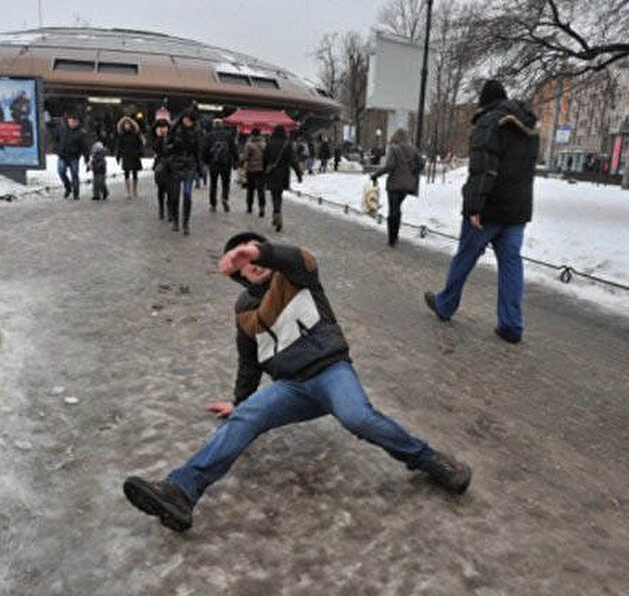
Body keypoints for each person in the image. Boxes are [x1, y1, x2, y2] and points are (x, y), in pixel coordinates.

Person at [123, 232, 473, 532]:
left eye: (254, 251)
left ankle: (429, 460)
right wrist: (239, 401)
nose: (253, 261)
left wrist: (261, 252)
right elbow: (249, 363)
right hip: (291, 387)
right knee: (246, 418)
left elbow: (299, 257)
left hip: (331, 371)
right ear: (239, 274)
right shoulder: (244, 309)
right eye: (244, 259)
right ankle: (181, 492)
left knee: (358, 417)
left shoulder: (294, 273)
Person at [424, 79, 539, 344]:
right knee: (511, 264)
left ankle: (445, 305)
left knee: (464, 257)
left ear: (484, 102)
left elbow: (483, 168)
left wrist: (475, 206)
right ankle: (511, 324)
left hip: (488, 208)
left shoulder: (489, 122)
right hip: (517, 209)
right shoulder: (530, 128)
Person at [371, 128, 424, 247]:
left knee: (393, 210)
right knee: (398, 208)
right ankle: (396, 234)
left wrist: (376, 175)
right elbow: (421, 164)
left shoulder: (393, 148)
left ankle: (392, 238)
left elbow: (389, 166)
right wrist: (413, 172)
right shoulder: (413, 149)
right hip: (407, 185)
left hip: (394, 184)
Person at [166, 110, 202, 235]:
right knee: (175, 195)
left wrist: (199, 168)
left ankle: (186, 223)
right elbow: (167, 146)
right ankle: (176, 220)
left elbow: (198, 151)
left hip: (190, 164)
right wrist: (173, 148)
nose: (187, 121)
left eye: (189, 120)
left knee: (187, 194)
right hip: (176, 164)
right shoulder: (175, 130)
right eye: (185, 119)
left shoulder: (196, 133)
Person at [263, 125, 302, 233]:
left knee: (274, 194)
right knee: (279, 194)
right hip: (283, 173)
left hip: (272, 172)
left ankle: (276, 213)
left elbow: (264, 158)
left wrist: (263, 172)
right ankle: (277, 212)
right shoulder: (287, 143)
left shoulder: (269, 142)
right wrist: (298, 174)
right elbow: (293, 160)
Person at [203, 118, 239, 213]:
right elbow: (234, 150)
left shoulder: (209, 135)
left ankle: (213, 204)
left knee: (213, 184)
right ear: (222, 125)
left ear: (213, 125)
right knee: (226, 183)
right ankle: (224, 198)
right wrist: (236, 161)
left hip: (213, 163)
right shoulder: (228, 135)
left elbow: (204, 150)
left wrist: (206, 161)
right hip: (226, 163)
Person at [55, 113, 89, 200]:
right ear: (68, 121)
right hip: (62, 155)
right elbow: (57, 139)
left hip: (74, 157)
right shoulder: (62, 129)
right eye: (71, 121)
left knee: (74, 174)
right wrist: (57, 149)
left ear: (77, 122)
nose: (73, 123)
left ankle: (76, 193)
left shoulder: (80, 132)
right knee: (61, 171)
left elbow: (84, 147)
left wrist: (86, 158)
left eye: (75, 121)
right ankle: (68, 187)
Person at [116, 114, 144, 198]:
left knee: (135, 173)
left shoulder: (135, 134)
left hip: (134, 155)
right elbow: (119, 146)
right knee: (126, 173)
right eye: (125, 124)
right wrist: (118, 155)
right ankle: (128, 192)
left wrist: (140, 152)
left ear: (131, 125)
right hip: (126, 155)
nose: (126, 126)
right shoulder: (122, 135)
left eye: (128, 124)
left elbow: (140, 144)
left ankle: (134, 190)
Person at [241, 128, 266, 216]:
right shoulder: (264, 144)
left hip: (251, 169)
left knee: (250, 189)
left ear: (252, 135)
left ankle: (249, 207)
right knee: (261, 190)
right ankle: (262, 207)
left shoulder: (249, 145)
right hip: (261, 170)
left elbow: (245, 157)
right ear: (260, 135)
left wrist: (241, 163)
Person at [151, 118, 171, 220]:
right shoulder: (156, 138)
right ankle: (161, 209)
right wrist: (159, 137)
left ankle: (169, 209)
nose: (163, 129)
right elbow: (155, 149)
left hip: (170, 166)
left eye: (164, 127)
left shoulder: (172, 137)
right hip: (160, 166)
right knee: (161, 189)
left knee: (170, 189)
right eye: (160, 127)